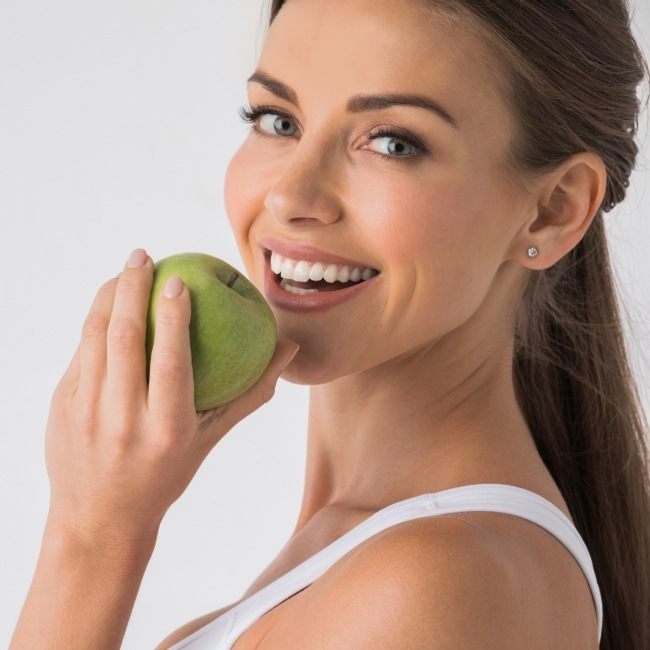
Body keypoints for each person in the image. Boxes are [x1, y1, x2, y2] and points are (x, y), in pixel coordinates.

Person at [10, 0, 650, 648]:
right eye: (278, 119)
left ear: (554, 210)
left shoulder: (437, 583)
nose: (290, 197)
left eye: (392, 142)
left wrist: (90, 536)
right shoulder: (385, 553)